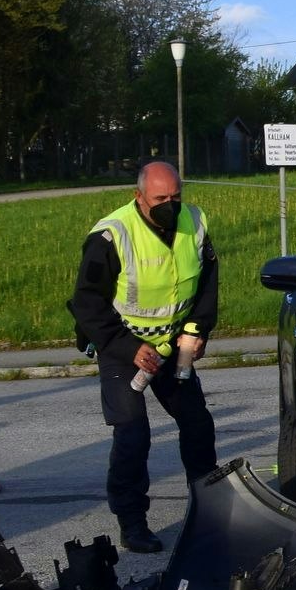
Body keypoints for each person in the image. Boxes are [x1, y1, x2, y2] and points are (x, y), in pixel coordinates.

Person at [69, 160, 219, 554]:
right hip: (124, 347)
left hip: (172, 345)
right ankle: (132, 523)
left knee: (197, 423)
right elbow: (86, 304)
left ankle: (210, 508)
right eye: (159, 199)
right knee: (133, 433)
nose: (169, 205)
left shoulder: (195, 222)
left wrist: (198, 329)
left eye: (176, 196)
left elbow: (206, 283)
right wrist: (126, 347)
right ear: (139, 197)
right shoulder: (111, 235)